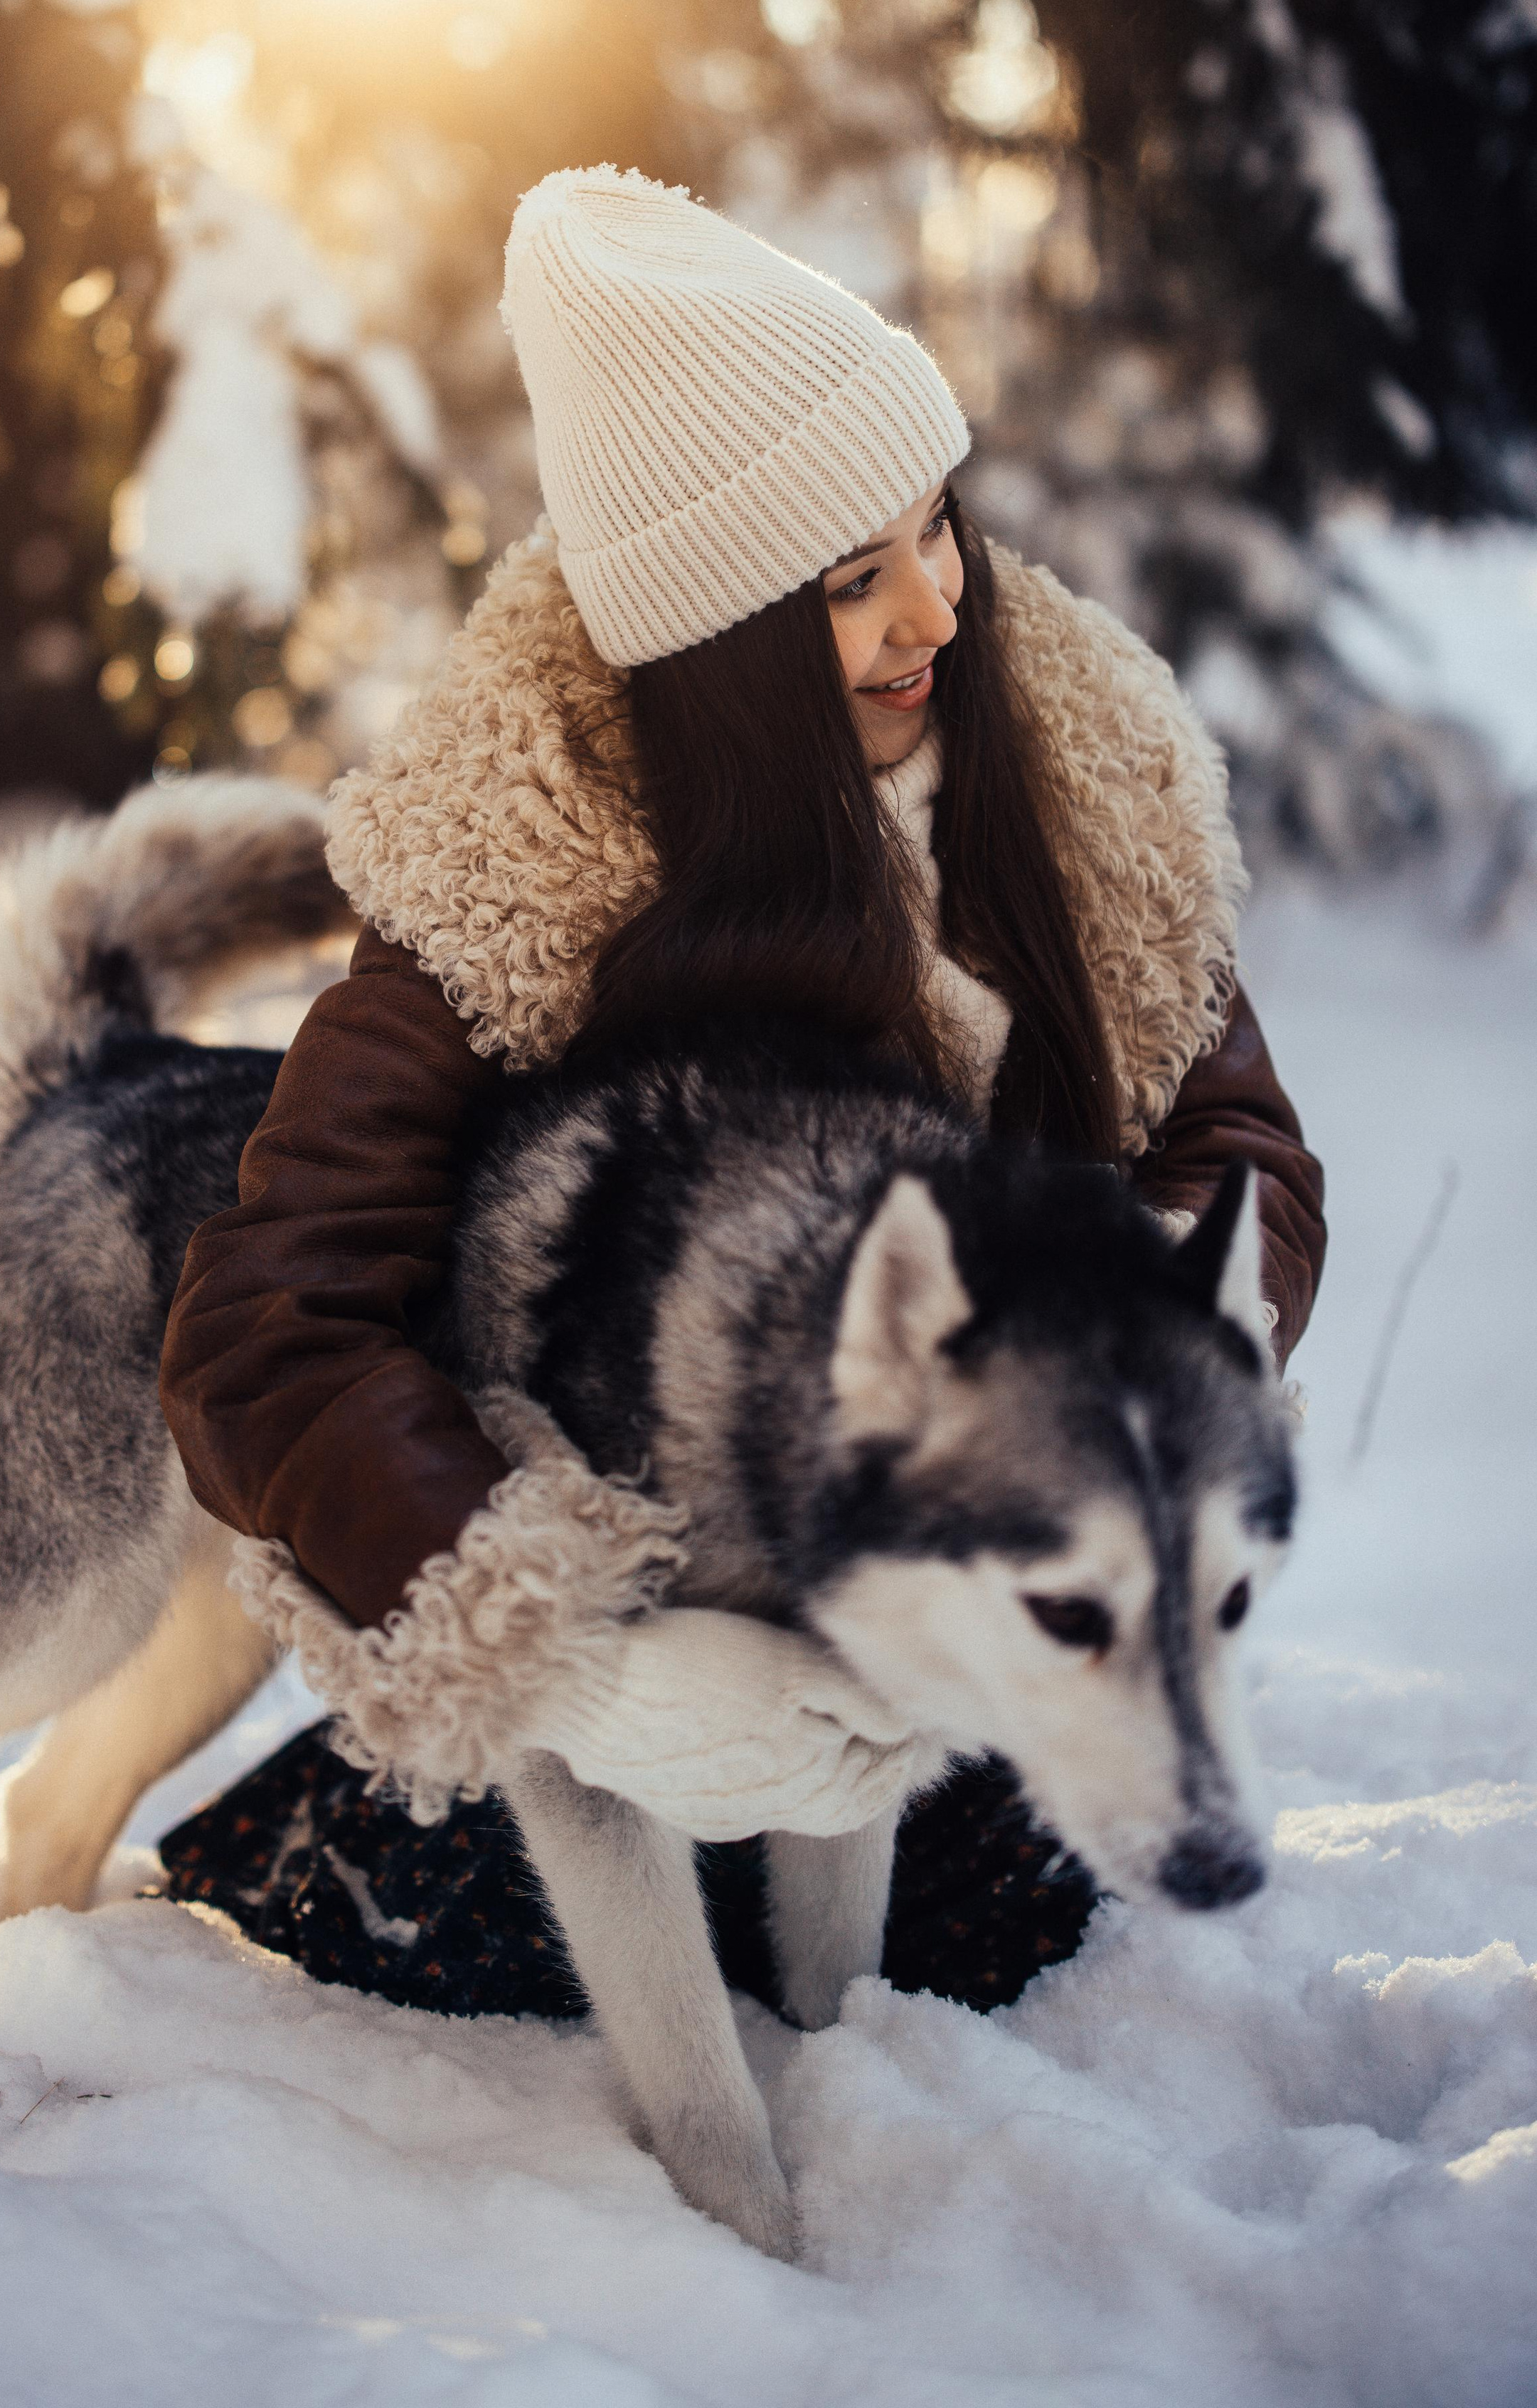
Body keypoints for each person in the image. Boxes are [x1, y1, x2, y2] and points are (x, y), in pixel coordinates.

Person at [154, 166, 1325, 2014]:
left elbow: (1236, 1141)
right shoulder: (512, 853)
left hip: (945, 1586)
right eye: (849, 583)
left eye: (936, 530)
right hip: (653, 1618)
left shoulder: (1090, 779)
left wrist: (1130, 1352)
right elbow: (267, 1329)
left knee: (986, 1942)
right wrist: (569, 1651)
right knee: (489, 1952)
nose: (931, 611)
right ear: (718, 654)